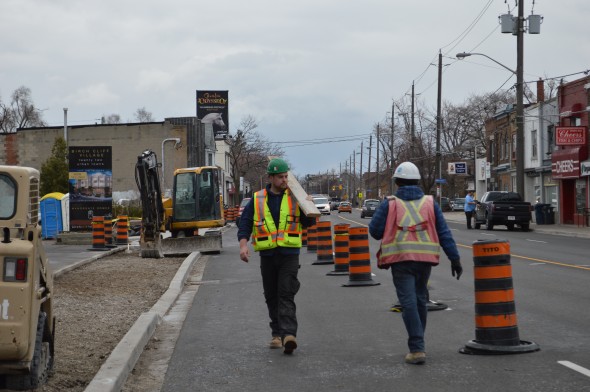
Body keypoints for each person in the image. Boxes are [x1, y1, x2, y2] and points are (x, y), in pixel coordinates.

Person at [369, 161, 462, 365]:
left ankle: (417, 347)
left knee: (408, 301)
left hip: (401, 259)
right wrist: (454, 258)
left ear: (397, 182)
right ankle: (419, 343)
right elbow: (444, 233)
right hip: (424, 260)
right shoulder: (430, 203)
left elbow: (374, 231)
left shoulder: (390, 203)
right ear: (418, 181)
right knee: (420, 298)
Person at [238, 158, 315, 354]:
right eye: (280, 177)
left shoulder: (295, 197)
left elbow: (307, 224)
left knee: (286, 293)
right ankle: (276, 334)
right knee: (271, 295)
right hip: (268, 254)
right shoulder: (258, 199)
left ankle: (289, 334)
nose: (284, 180)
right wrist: (243, 246)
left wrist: (309, 207)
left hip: (289, 254)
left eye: (286, 176)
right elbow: (245, 223)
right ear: (271, 177)